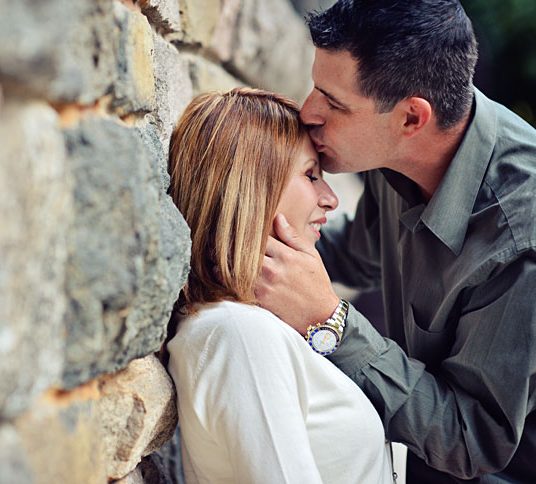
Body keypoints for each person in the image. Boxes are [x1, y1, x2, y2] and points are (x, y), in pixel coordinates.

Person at [255, 0, 536, 483]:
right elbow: (350, 256)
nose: (308, 112)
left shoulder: (529, 240)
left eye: (333, 102)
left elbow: (471, 441)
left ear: (412, 117)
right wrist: (237, 230)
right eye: (315, 88)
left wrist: (329, 322)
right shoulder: (395, 148)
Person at [165, 88, 395, 483]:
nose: (330, 199)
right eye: (311, 175)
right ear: (254, 188)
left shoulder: (259, 324)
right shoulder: (240, 335)